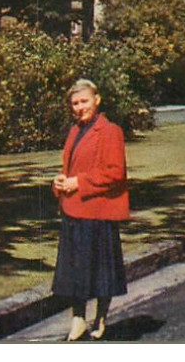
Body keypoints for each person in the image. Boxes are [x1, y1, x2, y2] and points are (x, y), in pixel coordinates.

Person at [52, 78, 129, 342]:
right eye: (74, 103)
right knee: (76, 270)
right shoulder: (75, 130)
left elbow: (115, 173)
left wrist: (79, 182)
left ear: (97, 100)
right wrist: (61, 181)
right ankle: (78, 319)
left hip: (98, 212)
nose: (79, 107)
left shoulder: (110, 131)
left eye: (84, 101)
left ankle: (101, 317)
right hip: (74, 210)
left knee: (101, 270)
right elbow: (71, 167)